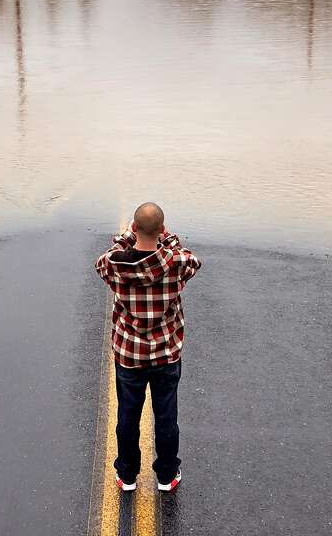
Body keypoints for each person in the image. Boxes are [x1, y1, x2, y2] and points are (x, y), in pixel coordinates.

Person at [95, 202, 201, 494]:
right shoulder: (176, 262)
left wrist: (128, 238)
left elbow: (102, 260)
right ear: (162, 230)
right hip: (166, 354)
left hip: (130, 355)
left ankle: (127, 476)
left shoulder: (116, 265)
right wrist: (167, 239)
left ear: (135, 228)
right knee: (166, 416)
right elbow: (193, 261)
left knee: (128, 416)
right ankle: (166, 476)